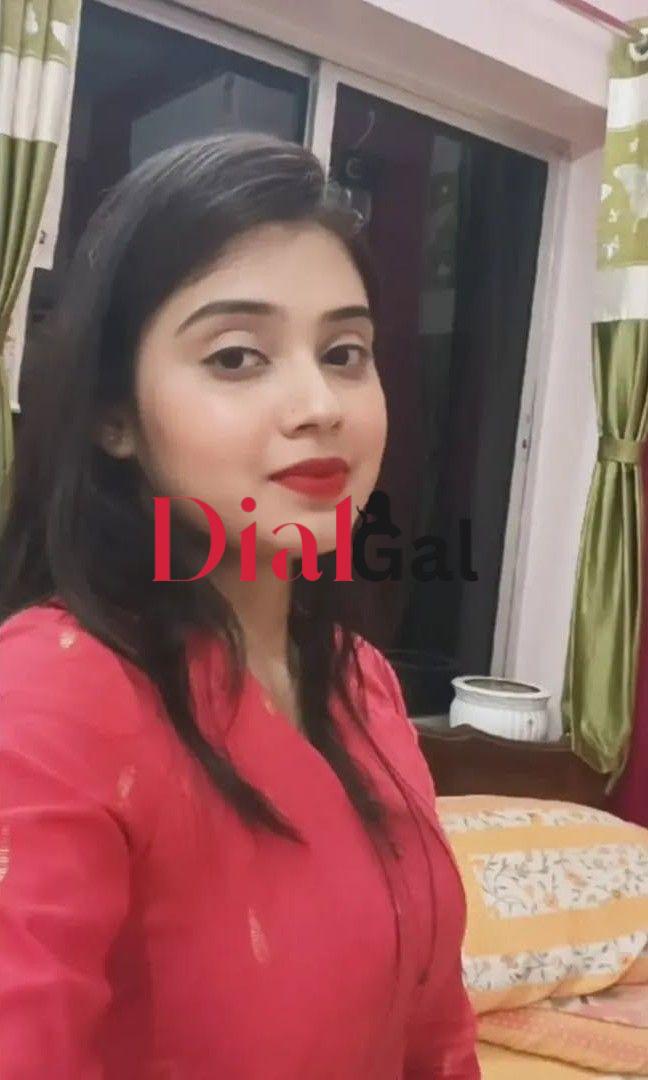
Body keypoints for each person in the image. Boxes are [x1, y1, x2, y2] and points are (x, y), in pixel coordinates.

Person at [0, 132, 479, 1078]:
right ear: (114, 417)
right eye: (235, 357)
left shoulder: (362, 682)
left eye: (345, 353)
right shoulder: (51, 698)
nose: (319, 403)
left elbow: (436, 1032)